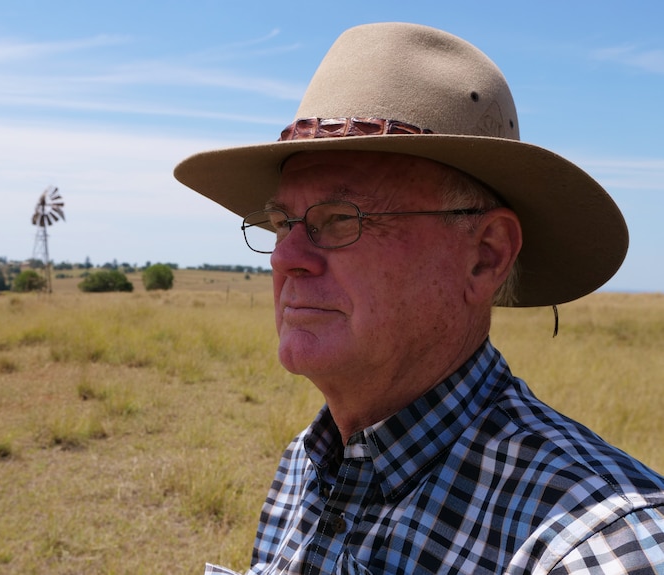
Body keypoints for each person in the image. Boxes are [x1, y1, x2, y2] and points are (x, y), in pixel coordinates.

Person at [174, 22, 664, 575]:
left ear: (486, 255)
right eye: (281, 221)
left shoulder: (596, 546)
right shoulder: (306, 466)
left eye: (340, 219)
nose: (285, 258)